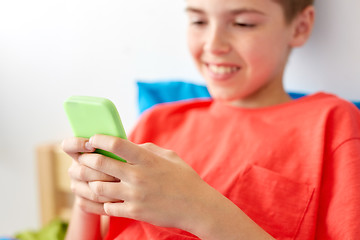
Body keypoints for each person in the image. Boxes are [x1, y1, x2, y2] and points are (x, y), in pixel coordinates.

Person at [62, 0, 360, 239]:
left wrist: (198, 209)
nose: (214, 44)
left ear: (300, 26)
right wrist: (87, 196)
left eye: (243, 23)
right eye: (199, 21)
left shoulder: (331, 122)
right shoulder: (158, 121)